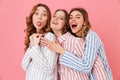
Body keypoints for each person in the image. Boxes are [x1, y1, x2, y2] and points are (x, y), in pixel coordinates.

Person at [46, 8, 113, 80]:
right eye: (71, 17)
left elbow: (92, 65)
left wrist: (61, 50)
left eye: (78, 17)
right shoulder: (55, 42)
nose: (73, 19)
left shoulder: (87, 37)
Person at [21, 3, 58, 80]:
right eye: (36, 13)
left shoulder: (49, 37)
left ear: (48, 19)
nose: (39, 17)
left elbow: (49, 69)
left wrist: (34, 47)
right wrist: (32, 44)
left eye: (44, 14)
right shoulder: (34, 38)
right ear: (32, 17)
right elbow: (24, 66)